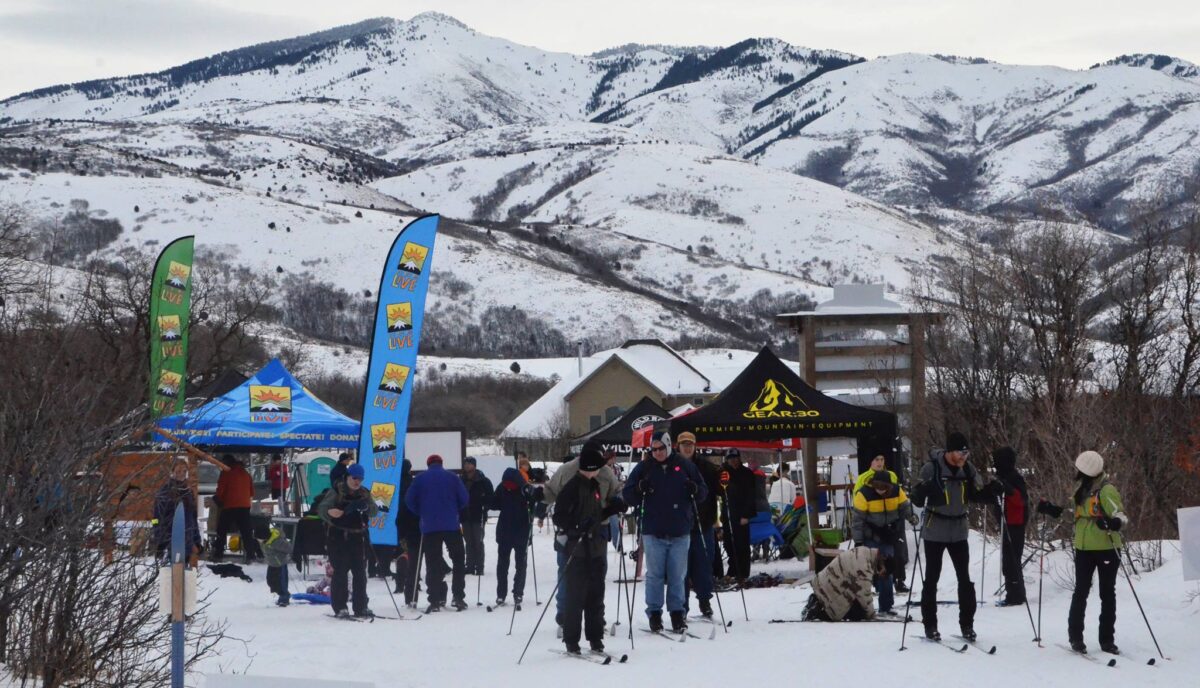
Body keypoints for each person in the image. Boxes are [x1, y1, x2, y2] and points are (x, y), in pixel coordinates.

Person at [1038, 451, 1128, 655]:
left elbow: (1122, 516)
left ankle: (1107, 639)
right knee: (1081, 591)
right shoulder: (1081, 488)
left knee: (1107, 593)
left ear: (1087, 471)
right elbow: (1075, 514)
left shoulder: (1107, 490)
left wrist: (1113, 523)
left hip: (1106, 548)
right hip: (1083, 548)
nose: (1077, 471)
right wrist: (1052, 509)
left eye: (1080, 469)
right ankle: (1075, 637)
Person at [622, 431, 707, 633]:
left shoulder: (684, 465)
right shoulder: (645, 467)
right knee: (655, 575)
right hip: (653, 530)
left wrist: (695, 489)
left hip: (680, 530)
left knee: (678, 575)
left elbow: (703, 491)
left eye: (661, 448)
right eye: (654, 449)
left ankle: (677, 613)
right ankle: (654, 613)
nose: (658, 453)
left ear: (669, 446)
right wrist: (638, 489)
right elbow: (628, 494)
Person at [910, 432, 990, 641]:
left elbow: (977, 493)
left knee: (964, 579)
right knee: (932, 578)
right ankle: (930, 625)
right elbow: (916, 497)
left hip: (959, 529)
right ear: (949, 451)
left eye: (966, 452)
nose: (964, 456)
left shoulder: (968, 469)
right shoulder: (931, 468)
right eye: (960, 452)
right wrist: (924, 490)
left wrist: (992, 492)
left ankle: (967, 625)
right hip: (935, 529)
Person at [553, 444, 626, 654]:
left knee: (596, 595)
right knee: (575, 596)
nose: (601, 469)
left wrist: (613, 508)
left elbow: (595, 515)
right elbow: (559, 516)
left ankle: (595, 638)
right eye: (598, 466)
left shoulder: (594, 485)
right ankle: (571, 640)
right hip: (577, 549)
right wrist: (576, 526)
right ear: (590, 467)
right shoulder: (572, 487)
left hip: (596, 547)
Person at [405, 454, 469, 612]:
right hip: (451, 525)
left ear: (428, 464)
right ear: (442, 463)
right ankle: (458, 597)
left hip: (429, 526)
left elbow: (409, 500)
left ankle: (434, 600)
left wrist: (421, 512)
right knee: (458, 560)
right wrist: (454, 510)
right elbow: (464, 498)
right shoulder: (453, 477)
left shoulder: (420, 479)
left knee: (432, 563)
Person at [851, 471, 916, 615]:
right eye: (877, 487)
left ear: (889, 486)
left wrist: (911, 517)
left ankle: (886, 607)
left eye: (883, 488)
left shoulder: (897, 491)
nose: (880, 490)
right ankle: (861, 606)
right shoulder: (863, 494)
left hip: (888, 536)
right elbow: (857, 520)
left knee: (886, 571)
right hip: (870, 536)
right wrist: (858, 541)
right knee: (865, 572)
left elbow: (905, 507)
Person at [318, 463, 378, 618]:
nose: (357, 482)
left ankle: (361, 606)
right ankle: (340, 607)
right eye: (354, 478)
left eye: (360, 479)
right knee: (340, 572)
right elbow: (322, 509)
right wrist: (331, 513)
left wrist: (366, 508)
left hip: (358, 537)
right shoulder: (336, 491)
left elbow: (374, 511)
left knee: (360, 574)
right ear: (347, 477)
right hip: (338, 538)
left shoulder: (364, 493)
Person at [677, 431, 720, 618]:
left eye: (690, 445)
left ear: (695, 446)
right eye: (684, 445)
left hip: (703, 523)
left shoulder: (707, 467)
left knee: (703, 566)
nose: (687, 448)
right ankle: (682, 605)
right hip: (679, 526)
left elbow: (718, 490)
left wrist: (724, 480)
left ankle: (705, 601)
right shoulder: (672, 465)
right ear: (678, 446)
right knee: (681, 569)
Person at [801, 546, 886, 621]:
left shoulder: (864, 551)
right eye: (883, 573)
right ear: (882, 563)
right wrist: (871, 615)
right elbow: (865, 595)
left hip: (822, 582)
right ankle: (818, 613)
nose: (880, 575)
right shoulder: (864, 567)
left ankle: (815, 601)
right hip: (831, 590)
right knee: (858, 612)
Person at [990, 446, 1030, 607]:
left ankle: (1016, 595)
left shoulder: (1014, 477)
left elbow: (1021, 500)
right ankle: (1013, 593)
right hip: (1007, 522)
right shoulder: (1003, 476)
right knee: (1008, 560)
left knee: (1012, 560)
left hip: (1015, 523)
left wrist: (1006, 489)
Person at [492, 466, 534, 606]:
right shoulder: (502, 487)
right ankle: (502, 594)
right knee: (504, 565)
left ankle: (517, 592)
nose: (508, 487)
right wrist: (487, 501)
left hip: (520, 532)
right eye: (506, 484)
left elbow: (534, 504)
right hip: (507, 532)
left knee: (519, 564)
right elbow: (495, 503)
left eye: (511, 484)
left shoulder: (524, 489)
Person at [152, 457, 202, 563]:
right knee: (173, 569)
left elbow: (193, 518)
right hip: (171, 539)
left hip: (187, 540)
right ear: (172, 472)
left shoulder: (188, 492)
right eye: (178, 471)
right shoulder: (165, 492)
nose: (181, 474)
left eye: (184, 471)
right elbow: (156, 519)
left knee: (187, 570)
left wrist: (196, 540)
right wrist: (159, 542)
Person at [213, 455, 257, 563]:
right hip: (245, 507)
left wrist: (217, 499)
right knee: (246, 532)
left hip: (230, 506)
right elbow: (252, 492)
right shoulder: (246, 474)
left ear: (226, 463)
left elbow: (220, 490)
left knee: (221, 530)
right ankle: (250, 555)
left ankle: (218, 554)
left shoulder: (226, 473)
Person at [720, 449, 756, 580]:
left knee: (742, 545)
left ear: (739, 459)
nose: (733, 461)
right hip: (728, 514)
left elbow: (751, 496)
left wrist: (746, 515)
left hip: (742, 514)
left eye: (735, 458)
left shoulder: (747, 473)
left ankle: (743, 573)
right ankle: (733, 570)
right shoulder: (723, 473)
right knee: (729, 544)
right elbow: (720, 491)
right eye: (730, 459)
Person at [393, 459, 422, 604]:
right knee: (414, 559)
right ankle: (416, 584)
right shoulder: (413, 483)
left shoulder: (395, 481)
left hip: (401, 522)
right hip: (416, 527)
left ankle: (400, 585)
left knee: (401, 555)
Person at [460, 457, 494, 576]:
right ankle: (469, 565)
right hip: (465, 515)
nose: (467, 466)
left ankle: (479, 566)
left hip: (478, 515)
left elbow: (491, 497)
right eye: (465, 464)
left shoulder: (483, 480)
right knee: (468, 541)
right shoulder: (461, 480)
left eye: (469, 464)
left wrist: (485, 505)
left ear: (474, 465)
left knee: (478, 541)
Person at [254, 521, 293, 606]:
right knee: (270, 581)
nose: (258, 540)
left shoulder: (276, 542)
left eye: (259, 538)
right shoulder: (263, 541)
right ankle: (281, 594)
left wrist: (290, 555)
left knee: (281, 583)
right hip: (271, 564)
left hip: (280, 564)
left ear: (264, 536)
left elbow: (289, 548)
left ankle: (284, 598)